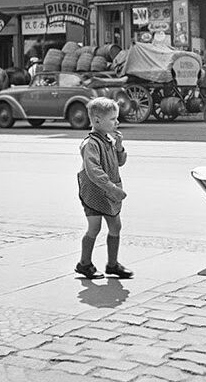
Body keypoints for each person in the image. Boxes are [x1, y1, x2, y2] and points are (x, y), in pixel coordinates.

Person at [75, 97, 133, 280]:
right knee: (94, 227)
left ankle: (112, 264)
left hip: (108, 191)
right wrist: (111, 188)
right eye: (113, 119)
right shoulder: (90, 144)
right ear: (98, 120)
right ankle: (84, 264)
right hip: (94, 192)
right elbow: (93, 171)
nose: (117, 122)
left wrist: (120, 147)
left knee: (116, 225)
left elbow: (120, 163)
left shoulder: (108, 140)